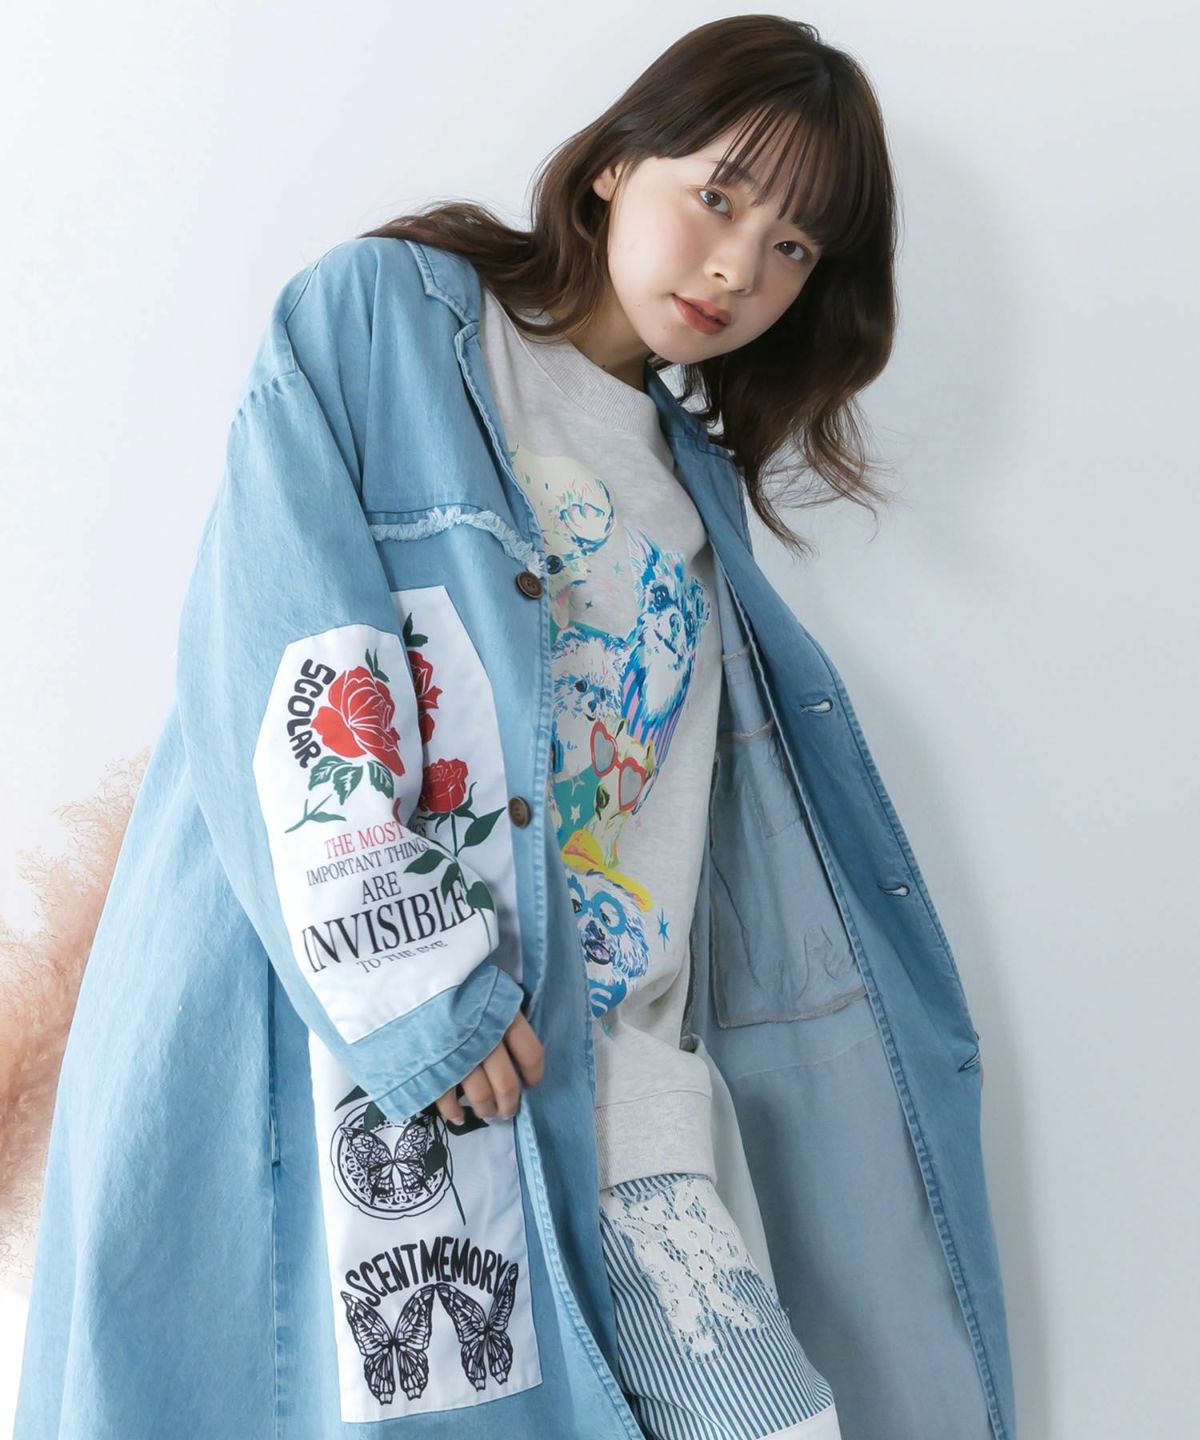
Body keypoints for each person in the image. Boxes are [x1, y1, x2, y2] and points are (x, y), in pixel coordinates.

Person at [11, 15, 1016, 1440]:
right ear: (615, 164)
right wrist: (423, 993)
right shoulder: (385, 326)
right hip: (386, 1064)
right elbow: (289, 652)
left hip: (606, 1083)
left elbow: (662, 841)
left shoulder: (696, 495)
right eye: (718, 196)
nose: (737, 268)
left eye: (794, 245)